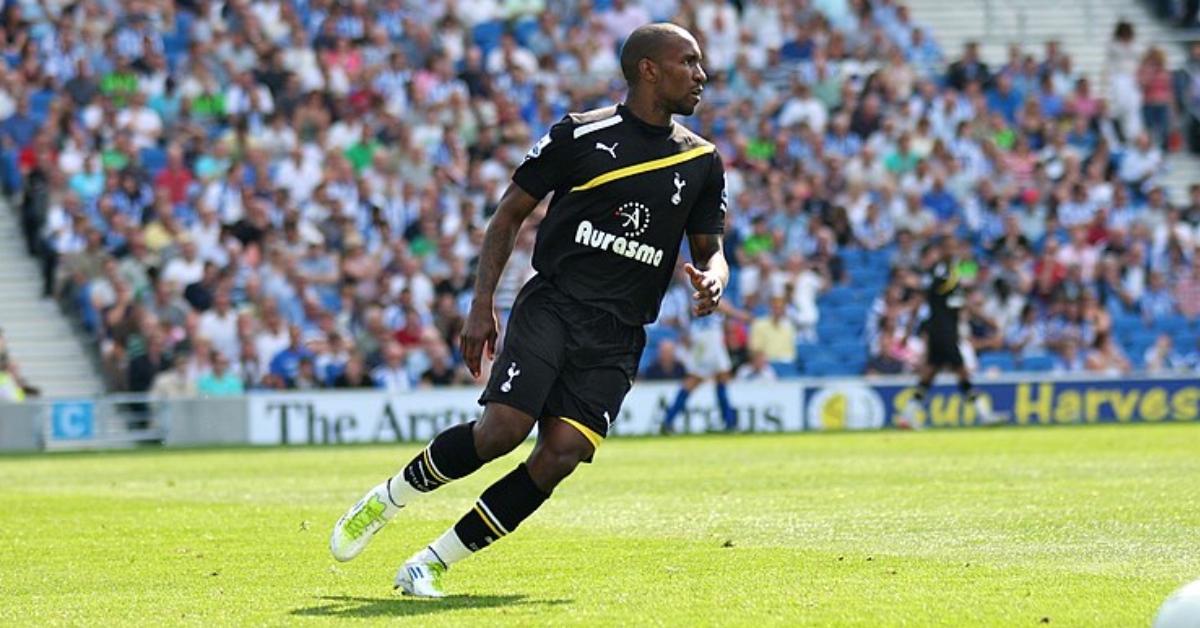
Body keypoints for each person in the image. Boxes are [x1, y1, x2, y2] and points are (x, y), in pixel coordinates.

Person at [330, 23, 728, 597]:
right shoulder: (580, 135)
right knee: (501, 432)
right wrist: (480, 305)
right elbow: (509, 214)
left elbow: (711, 251)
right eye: (688, 62)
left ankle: (430, 563)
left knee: (561, 454)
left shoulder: (702, 161)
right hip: (555, 306)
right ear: (648, 68)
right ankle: (390, 497)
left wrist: (712, 279)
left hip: (619, 333)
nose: (701, 75)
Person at [900, 238, 994, 428]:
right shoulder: (941, 272)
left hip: (945, 329)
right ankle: (983, 414)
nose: (953, 251)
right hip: (942, 330)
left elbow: (976, 276)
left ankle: (907, 415)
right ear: (941, 250)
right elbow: (922, 293)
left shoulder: (954, 272)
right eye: (949, 248)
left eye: (955, 247)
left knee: (929, 375)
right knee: (962, 372)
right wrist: (908, 330)